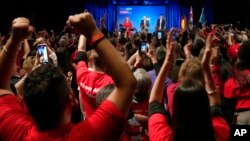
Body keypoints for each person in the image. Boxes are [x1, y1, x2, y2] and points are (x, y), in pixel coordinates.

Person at [0, 12, 137, 141]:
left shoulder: (17, 132)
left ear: (25, 106)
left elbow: (1, 85)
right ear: (72, 100)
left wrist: (14, 39)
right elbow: (128, 82)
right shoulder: (89, 134)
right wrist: (92, 31)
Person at [148, 30, 230, 141]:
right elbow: (215, 105)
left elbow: (154, 102)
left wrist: (167, 62)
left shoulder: (164, 137)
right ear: (205, 105)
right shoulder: (221, 134)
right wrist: (207, 67)